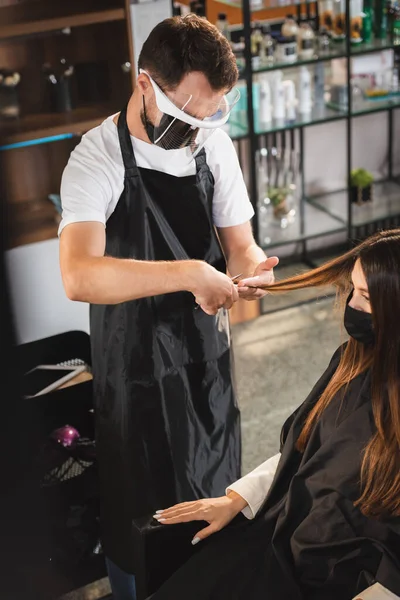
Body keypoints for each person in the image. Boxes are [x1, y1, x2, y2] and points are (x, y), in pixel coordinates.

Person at [58, 14, 278, 600]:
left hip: (204, 361)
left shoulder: (215, 146)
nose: (199, 129)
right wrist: (188, 274)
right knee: (143, 516)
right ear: (144, 83)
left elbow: (240, 246)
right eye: (187, 115)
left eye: (212, 115)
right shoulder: (96, 158)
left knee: (215, 503)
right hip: (131, 369)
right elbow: (79, 275)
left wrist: (251, 271)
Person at [150, 229, 400, 600]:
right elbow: (305, 451)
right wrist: (237, 498)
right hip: (286, 536)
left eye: (365, 296)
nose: (351, 304)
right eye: (352, 289)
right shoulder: (352, 360)